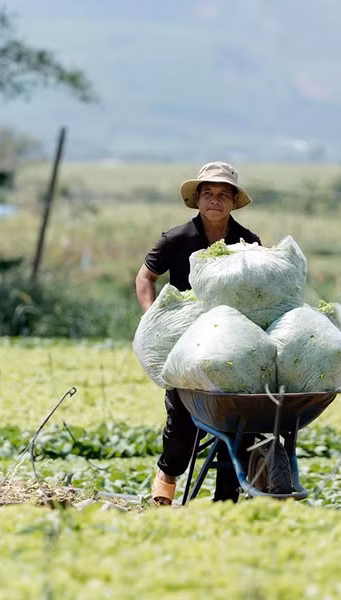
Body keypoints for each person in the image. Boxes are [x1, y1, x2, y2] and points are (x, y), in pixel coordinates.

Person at [135, 161, 261, 505]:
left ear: (234, 201)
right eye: (208, 194)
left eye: (223, 195)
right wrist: (154, 319)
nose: (215, 201)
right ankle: (168, 474)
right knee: (182, 413)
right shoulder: (177, 239)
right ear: (198, 199)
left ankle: (227, 498)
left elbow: (258, 291)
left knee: (238, 417)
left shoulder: (248, 242)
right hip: (185, 341)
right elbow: (145, 278)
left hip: (232, 343)